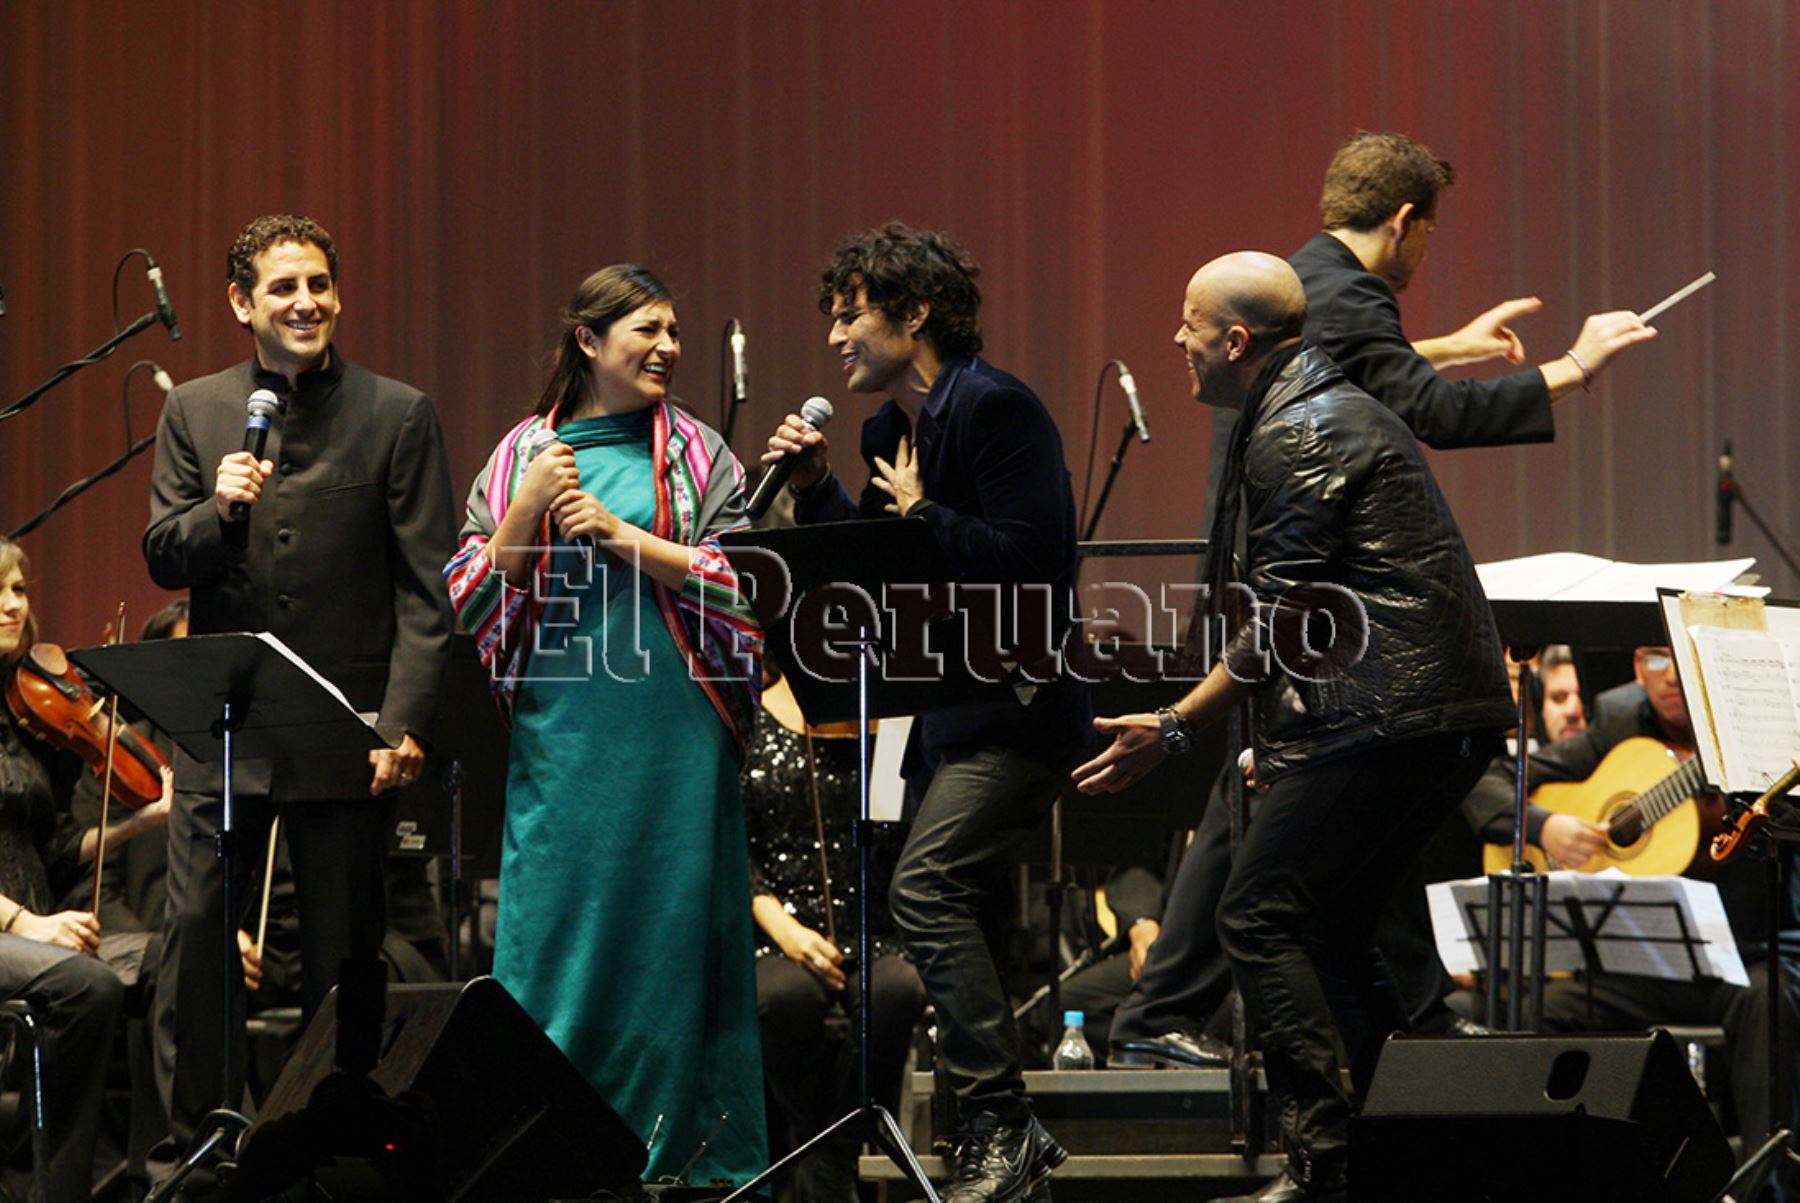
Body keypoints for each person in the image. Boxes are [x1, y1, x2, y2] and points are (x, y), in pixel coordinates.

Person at [1111, 129, 1657, 1069]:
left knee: (1345, 807)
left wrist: (1443, 343)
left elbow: (1368, 363)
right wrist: (1577, 364)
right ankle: (1170, 1016)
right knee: (1286, 820)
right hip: (1313, 597)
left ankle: (1406, 1015)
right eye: (1429, 234)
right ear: (1405, 221)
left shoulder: (1311, 280)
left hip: (1306, 601)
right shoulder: (1348, 295)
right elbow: (1434, 411)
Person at [1075, 253, 1512, 1202]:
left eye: (1187, 324)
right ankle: (1389, 1149)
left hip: (1394, 716)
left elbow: (1286, 619)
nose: (1176, 341)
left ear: (1235, 342)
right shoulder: (1305, 407)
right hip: (1424, 717)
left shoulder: (1298, 428)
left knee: (1256, 910)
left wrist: (1174, 724)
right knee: (1334, 923)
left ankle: (1323, 1160)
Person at [764, 222, 1089, 1203]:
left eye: (850, 312)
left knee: (924, 892)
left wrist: (922, 516)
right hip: (949, 717)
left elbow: (1035, 564)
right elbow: (880, 576)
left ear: (914, 314)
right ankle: (984, 1142)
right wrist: (821, 495)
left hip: (1017, 708)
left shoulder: (997, 410)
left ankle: (1004, 1121)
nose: (835, 336)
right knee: (951, 905)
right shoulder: (896, 430)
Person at [143, 214, 456, 1184]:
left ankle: (339, 1149)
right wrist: (217, 511)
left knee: (342, 956)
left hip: (345, 728)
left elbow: (428, 592)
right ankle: (196, 1151)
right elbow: (163, 554)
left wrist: (398, 726)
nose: (305, 302)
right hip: (226, 728)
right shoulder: (193, 412)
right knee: (196, 935)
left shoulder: (397, 412)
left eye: (318, 283)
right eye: (282, 287)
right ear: (242, 304)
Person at [445, 264, 768, 1187]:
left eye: (674, 329)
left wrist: (623, 536)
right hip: (566, 737)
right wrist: (528, 506)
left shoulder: (701, 453)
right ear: (588, 341)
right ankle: (544, 1155)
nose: (669, 346)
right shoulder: (521, 454)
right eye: (647, 330)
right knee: (557, 939)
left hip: (677, 735)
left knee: (671, 946)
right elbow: (474, 597)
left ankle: (678, 1162)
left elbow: (743, 581)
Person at [1464, 644, 1798, 1169]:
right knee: (1528, 1015)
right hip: (1638, 968)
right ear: (1638, 668)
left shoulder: (1759, 728)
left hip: (1745, 963)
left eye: (1680, 660)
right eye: (1653, 659)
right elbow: (1488, 778)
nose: (1668, 677)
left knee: (1772, 1003)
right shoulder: (1620, 720)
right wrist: (1546, 826)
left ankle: (1764, 1182)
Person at [0, 536, 173, 1200]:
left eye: (22, 589)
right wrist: (29, 923)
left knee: (173, 955)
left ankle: (150, 1174)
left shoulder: (32, 712)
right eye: (2, 590)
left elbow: (58, 848)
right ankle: (36, 1185)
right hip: (17, 930)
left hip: (41, 929)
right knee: (90, 986)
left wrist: (140, 822)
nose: (16, 603)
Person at [744, 666, 925, 1202]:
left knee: (897, 991)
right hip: (779, 928)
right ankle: (816, 1142)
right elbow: (733, 839)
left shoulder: (889, 721)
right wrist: (783, 927)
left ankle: (830, 1153)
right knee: (780, 998)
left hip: (876, 926)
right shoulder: (750, 712)